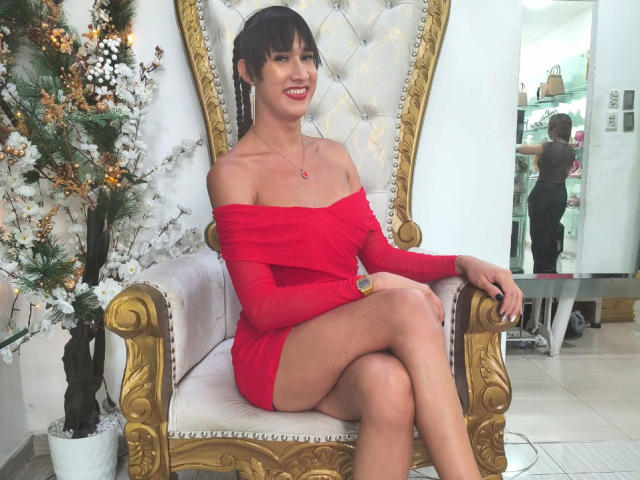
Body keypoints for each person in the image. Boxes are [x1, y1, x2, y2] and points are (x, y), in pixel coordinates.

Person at [207, 6, 523, 479]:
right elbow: (263, 308)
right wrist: (369, 287)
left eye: (308, 57)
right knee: (405, 306)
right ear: (248, 72)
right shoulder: (233, 174)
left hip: (343, 344)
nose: (301, 72)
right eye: (281, 59)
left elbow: (381, 256)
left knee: (391, 388)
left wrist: (461, 263)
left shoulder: (335, 157)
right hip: (277, 358)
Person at [517, 113, 575, 273]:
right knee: (550, 235)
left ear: (553, 129)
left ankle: (539, 273)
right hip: (560, 194)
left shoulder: (546, 147)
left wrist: (520, 146)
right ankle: (550, 272)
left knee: (538, 238)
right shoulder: (571, 151)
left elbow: (523, 149)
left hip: (543, 194)